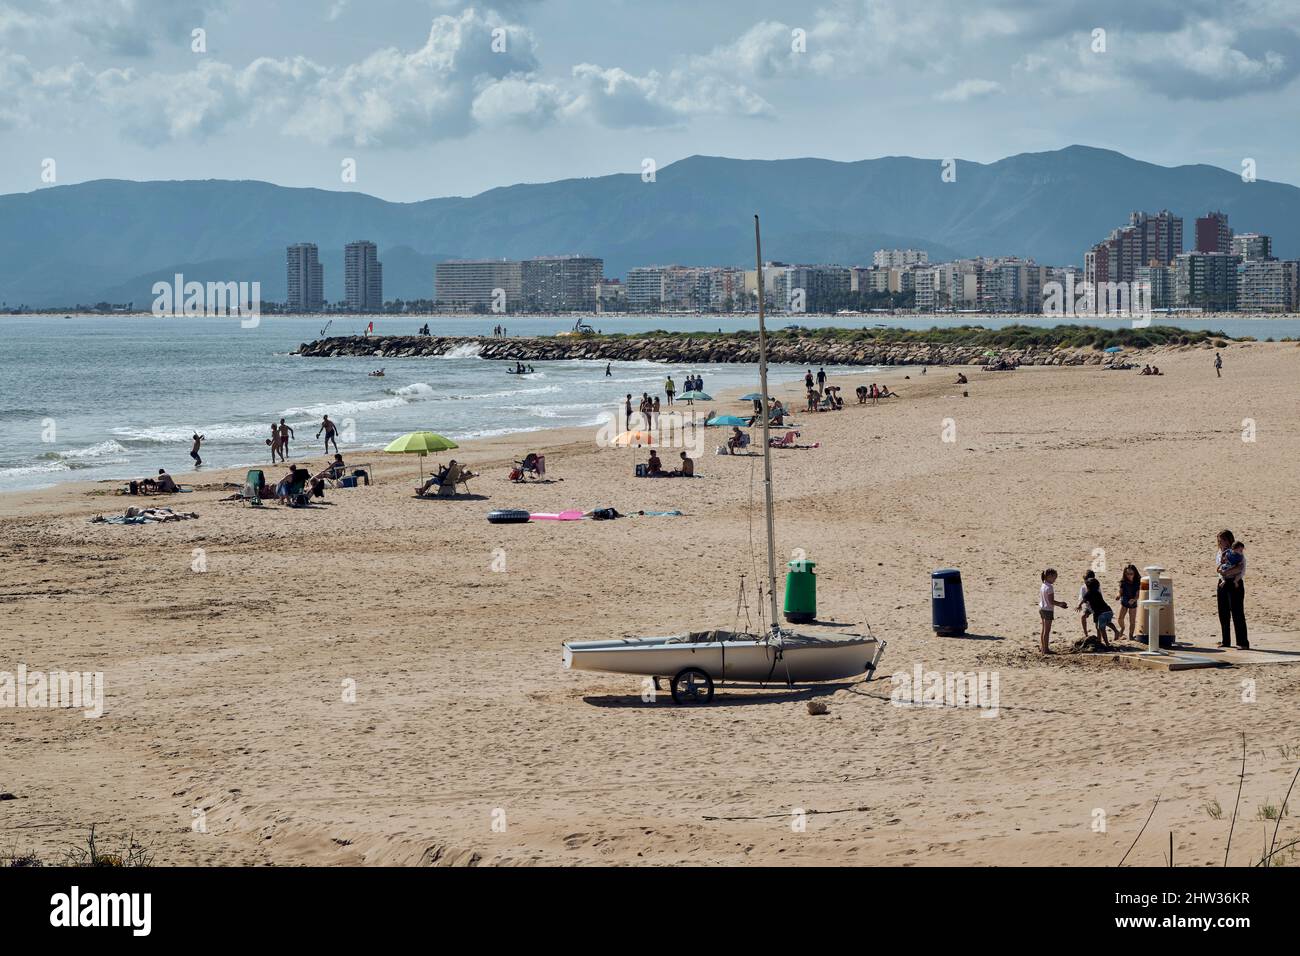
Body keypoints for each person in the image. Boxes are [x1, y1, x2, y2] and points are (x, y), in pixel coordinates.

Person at [1215, 529, 1248, 648]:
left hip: (1235, 583)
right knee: (1223, 613)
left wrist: (1227, 571)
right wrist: (1222, 572)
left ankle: (1242, 642)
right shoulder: (1220, 553)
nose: (1220, 543)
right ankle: (1226, 640)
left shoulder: (1237, 552)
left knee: (1237, 613)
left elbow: (1240, 568)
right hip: (1222, 582)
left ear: (1228, 540)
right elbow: (1218, 568)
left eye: (1222, 540)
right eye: (1219, 541)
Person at [1083, 577, 1120, 647]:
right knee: (1107, 623)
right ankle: (1116, 631)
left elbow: (1084, 600)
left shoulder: (1088, 593)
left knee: (1102, 629)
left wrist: (1079, 605)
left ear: (1087, 587)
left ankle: (1107, 644)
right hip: (1108, 611)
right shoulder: (1098, 593)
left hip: (1101, 613)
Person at [1039, 568, 1068, 654]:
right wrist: (1061, 604)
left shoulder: (1043, 585)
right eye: (1054, 577)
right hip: (1048, 610)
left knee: (1043, 630)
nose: (1055, 580)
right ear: (1049, 576)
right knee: (1047, 631)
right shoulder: (1050, 587)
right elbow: (1051, 601)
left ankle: (1042, 647)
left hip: (1042, 608)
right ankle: (1046, 649)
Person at [1116, 564, 1140, 642]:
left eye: (1131, 574)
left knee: (1132, 621)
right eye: (1127, 574)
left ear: (1134, 573)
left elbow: (1138, 594)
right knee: (1120, 618)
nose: (1129, 576)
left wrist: (1134, 599)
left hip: (1133, 601)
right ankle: (1122, 628)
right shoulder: (1123, 581)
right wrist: (1118, 596)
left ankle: (1131, 635)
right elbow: (1120, 592)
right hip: (1124, 600)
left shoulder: (1137, 582)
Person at [1076, 570, 1096, 639]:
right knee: (1083, 616)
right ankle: (1086, 634)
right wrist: (1079, 605)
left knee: (1097, 621)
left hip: (1095, 605)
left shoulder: (1096, 586)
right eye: (1085, 580)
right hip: (1087, 605)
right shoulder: (1083, 587)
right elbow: (1082, 598)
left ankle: (1099, 636)